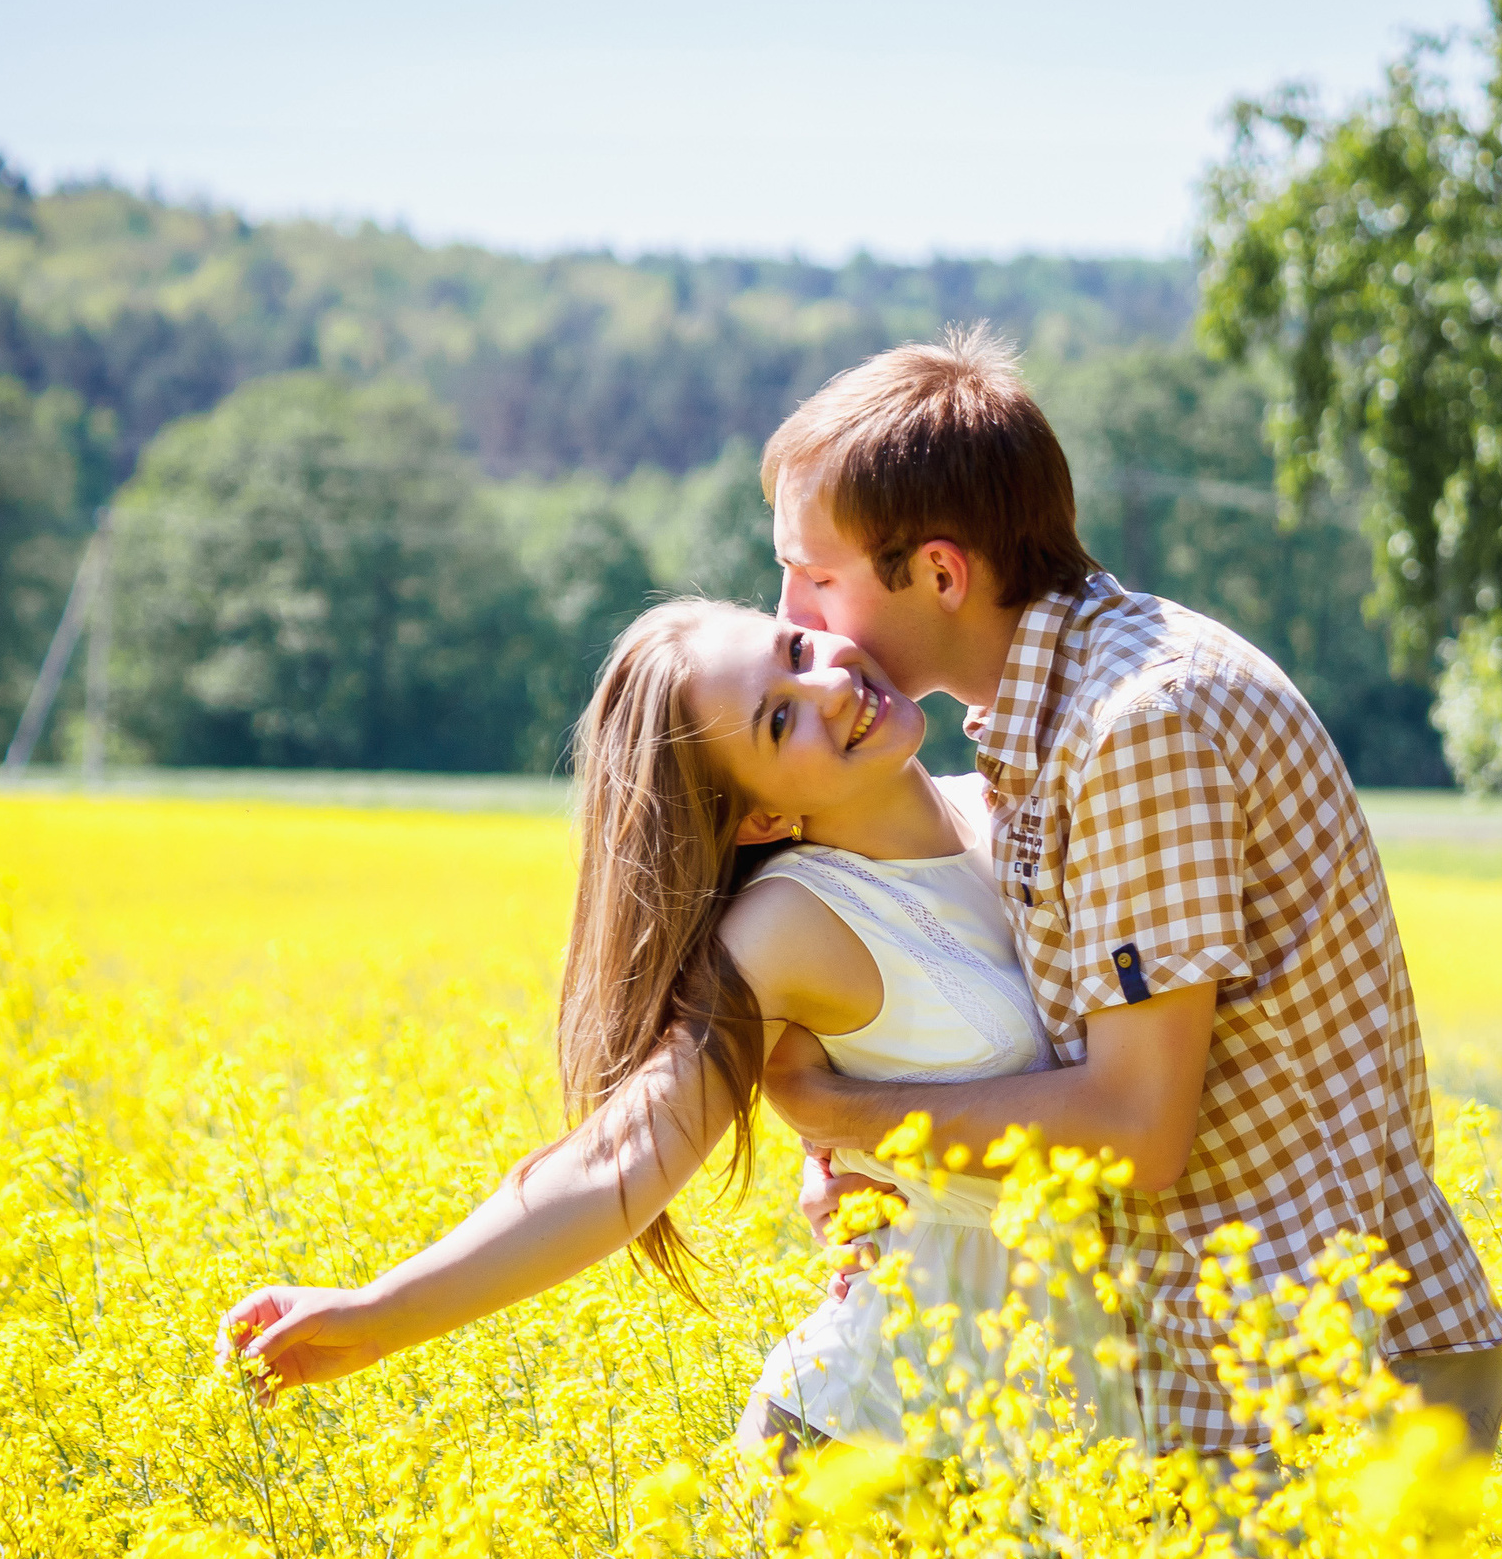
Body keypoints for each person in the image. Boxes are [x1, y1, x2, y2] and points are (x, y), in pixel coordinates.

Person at [755, 327, 1502, 1456]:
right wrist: (882, 1168)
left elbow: (1131, 1127)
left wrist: (840, 1114)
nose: (791, 614)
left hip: (1323, 1382)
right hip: (1241, 1369)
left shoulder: (1137, 727)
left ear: (941, 573)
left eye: (815, 575)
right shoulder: (1059, 715)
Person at [216, 600, 1139, 1456]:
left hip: (1075, 1432)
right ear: (765, 815)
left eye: (797, 648)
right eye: (779, 720)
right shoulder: (792, 925)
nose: (829, 685)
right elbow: (614, 1161)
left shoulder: (1006, 801)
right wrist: (375, 1314)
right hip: (878, 1442)